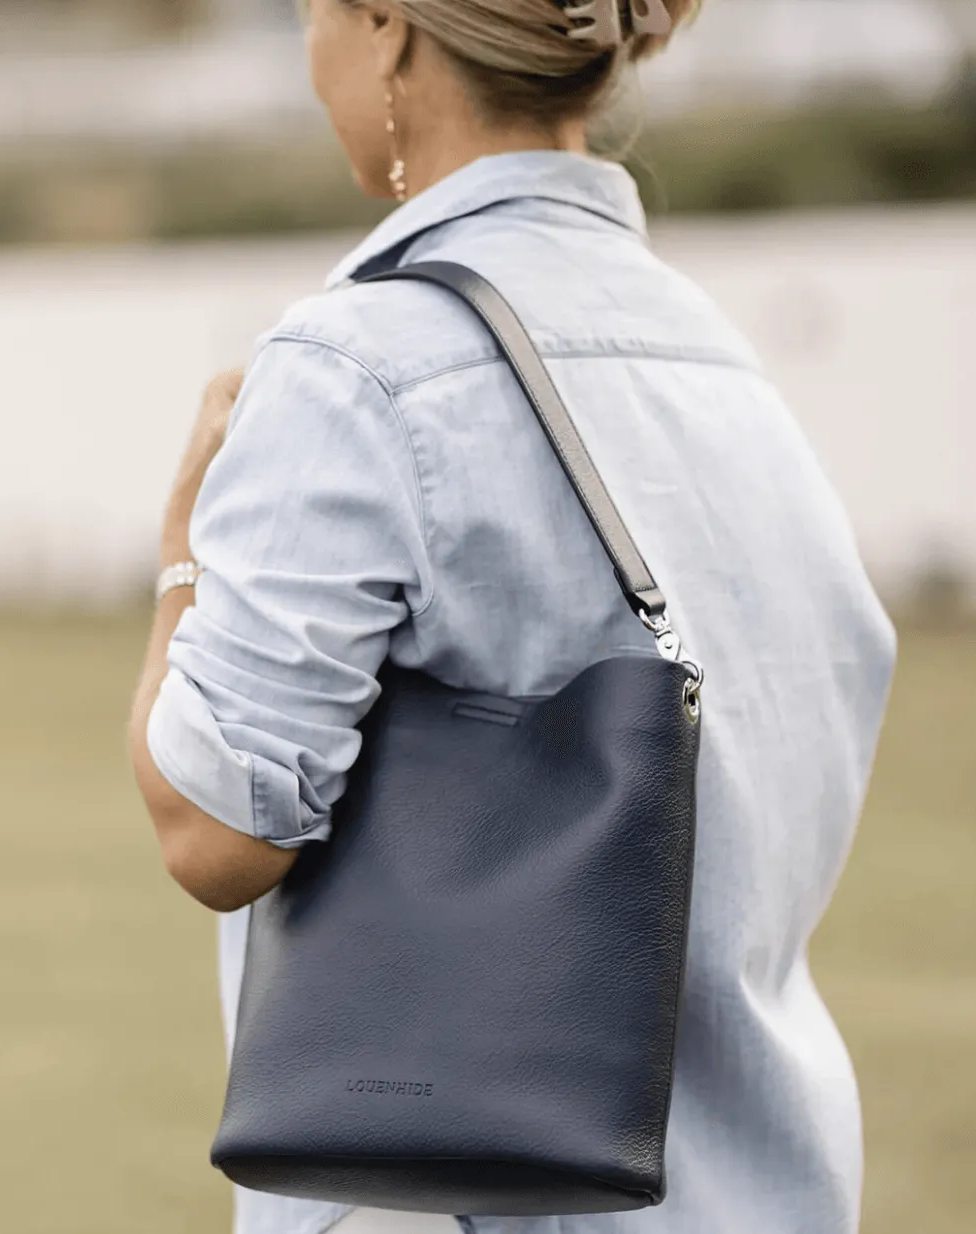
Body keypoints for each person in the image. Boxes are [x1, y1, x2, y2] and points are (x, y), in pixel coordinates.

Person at [127, 1, 896, 1232]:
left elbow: (214, 830)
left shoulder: (358, 364)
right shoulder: (726, 371)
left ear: (385, 27)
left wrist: (180, 556)